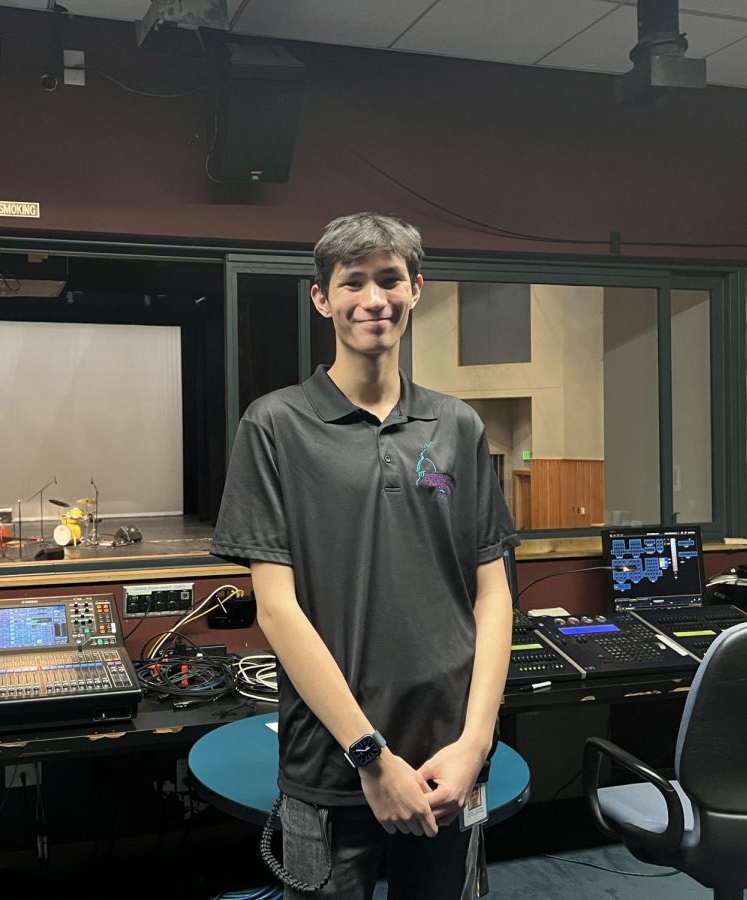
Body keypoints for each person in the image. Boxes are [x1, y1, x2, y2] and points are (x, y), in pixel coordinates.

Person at [211, 212, 518, 899]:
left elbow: (493, 596)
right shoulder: (274, 425)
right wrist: (371, 756)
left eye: (389, 280)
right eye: (353, 282)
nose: (372, 299)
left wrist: (475, 743)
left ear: (415, 290)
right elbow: (276, 608)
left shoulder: (458, 426)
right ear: (323, 298)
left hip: (450, 764)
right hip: (332, 768)